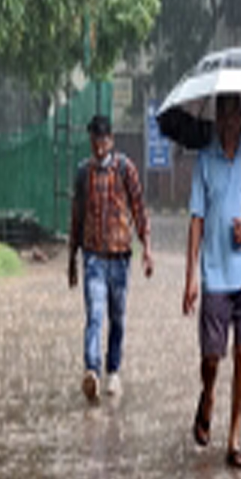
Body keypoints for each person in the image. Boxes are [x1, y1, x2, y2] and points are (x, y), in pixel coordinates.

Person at [183, 93, 241, 469]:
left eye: (234, 114)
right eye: (222, 114)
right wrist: (190, 277)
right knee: (211, 357)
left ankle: (234, 439)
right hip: (215, 275)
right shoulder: (205, 160)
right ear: (217, 119)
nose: (228, 121)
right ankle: (208, 395)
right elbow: (196, 219)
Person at [68, 114, 154, 402]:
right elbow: (76, 217)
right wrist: (71, 259)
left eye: (103, 140)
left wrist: (147, 249)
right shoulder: (83, 173)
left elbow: (139, 208)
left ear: (111, 140)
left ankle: (113, 370)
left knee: (117, 316)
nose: (99, 146)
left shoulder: (125, 169)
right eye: (94, 141)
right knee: (94, 314)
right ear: (91, 141)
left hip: (120, 257)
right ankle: (91, 370)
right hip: (92, 256)